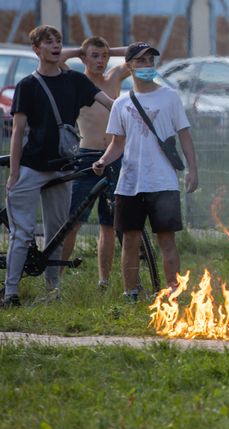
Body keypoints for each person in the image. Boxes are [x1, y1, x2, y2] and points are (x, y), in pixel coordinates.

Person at [2, 25, 113, 307]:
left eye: (59, 42)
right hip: (31, 166)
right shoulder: (28, 85)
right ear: (36, 49)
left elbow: (110, 103)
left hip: (62, 167)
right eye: (48, 42)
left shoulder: (75, 81)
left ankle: (53, 290)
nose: (55, 45)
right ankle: (10, 292)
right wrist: (14, 172)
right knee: (22, 232)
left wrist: (133, 115)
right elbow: (18, 131)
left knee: (57, 232)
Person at [92, 42, 198, 302]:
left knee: (167, 241)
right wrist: (103, 161)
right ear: (129, 67)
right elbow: (117, 143)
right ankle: (132, 293)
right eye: (140, 61)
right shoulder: (121, 103)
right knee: (130, 241)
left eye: (150, 60)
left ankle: (173, 292)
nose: (147, 65)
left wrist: (192, 170)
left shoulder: (170, 96)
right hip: (129, 183)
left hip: (163, 182)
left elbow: (185, 135)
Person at [59, 36, 130, 290]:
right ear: (85, 58)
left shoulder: (114, 78)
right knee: (73, 221)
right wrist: (80, 50)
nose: (101, 61)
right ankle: (55, 279)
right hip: (87, 157)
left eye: (104, 56)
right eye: (95, 56)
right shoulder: (78, 81)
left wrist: (109, 49)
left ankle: (104, 280)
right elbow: (55, 58)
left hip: (114, 155)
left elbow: (138, 51)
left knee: (108, 224)